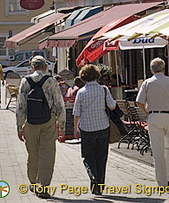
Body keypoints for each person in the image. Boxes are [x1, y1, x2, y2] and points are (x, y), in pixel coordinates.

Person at [16, 55, 66, 199]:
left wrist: (20, 127)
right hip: (48, 121)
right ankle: (43, 186)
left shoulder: (25, 81)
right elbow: (59, 104)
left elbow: (21, 106)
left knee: (33, 153)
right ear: (45, 66)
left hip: (30, 122)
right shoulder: (50, 81)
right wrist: (62, 126)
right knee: (47, 154)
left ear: (32, 67)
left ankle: (33, 182)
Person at [136, 57, 169, 187]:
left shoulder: (148, 83)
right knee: (168, 148)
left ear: (151, 70)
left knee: (158, 150)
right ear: (163, 68)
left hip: (155, 117)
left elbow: (139, 102)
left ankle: (162, 182)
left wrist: (146, 112)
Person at [73, 64, 116, 195]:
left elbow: (76, 113)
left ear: (83, 77)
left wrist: (76, 128)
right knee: (101, 157)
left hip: (87, 128)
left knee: (88, 156)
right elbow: (112, 106)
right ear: (97, 76)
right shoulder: (103, 90)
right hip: (103, 126)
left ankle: (93, 177)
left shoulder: (81, 92)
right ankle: (100, 185)